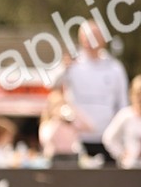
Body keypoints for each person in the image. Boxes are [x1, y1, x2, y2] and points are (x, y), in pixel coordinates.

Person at [55, 20, 129, 161]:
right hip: (77, 140)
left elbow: (122, 104)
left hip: (108, 140)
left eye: (95, 35)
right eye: (87, 36)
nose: (91, 41)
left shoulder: (115, 68)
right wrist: (63, 67)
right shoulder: (72, 64)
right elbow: (51, 84)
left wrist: (121, 136)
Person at [37, 88, 89, 162]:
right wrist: (57, 120)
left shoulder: (71, 124)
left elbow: (89, 127)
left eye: (63, 104)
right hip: (53, 159)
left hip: (71, 157)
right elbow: (47, 139)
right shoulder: (47, 125)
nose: (60, 107)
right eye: (57, 105)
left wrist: (74, 111)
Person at [102, 74, 141, 168]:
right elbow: (108, 138)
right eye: (138, 94)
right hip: (131, 166)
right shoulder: (125, 115)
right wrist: (121, 154)